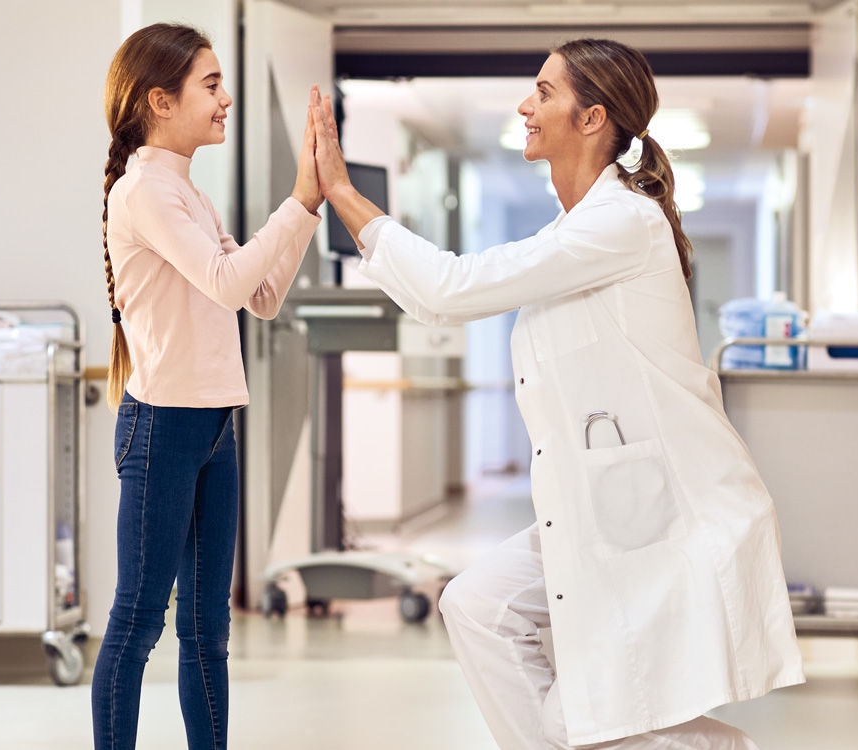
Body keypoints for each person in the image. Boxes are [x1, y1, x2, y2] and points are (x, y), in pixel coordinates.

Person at [309, 38, 804, 750]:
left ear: (592, 117)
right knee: (478, 606)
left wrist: (344, 197)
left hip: (668, 518)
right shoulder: (575, 231)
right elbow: (441, 300)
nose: (524, 105)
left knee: (578, 723)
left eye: (543, 92)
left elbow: (451, 289)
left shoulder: (622, 224)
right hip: (600, 511)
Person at [92, 23, 322, 750]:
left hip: (214, 423)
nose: (225, 99)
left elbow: (262, 298)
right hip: (164, 427)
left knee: (206, 629)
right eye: (212, 84)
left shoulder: (187, 192)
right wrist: (292, 204)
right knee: (137, 623)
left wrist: (308, 204)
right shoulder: (145, 193)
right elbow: (227, 280)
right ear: (160, 101)